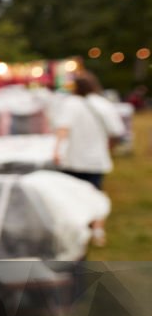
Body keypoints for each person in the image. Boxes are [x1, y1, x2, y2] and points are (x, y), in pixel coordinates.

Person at [52, 71, 125, 247]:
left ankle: (78, 231)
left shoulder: (70, 104)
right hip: (96, 160)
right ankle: (97, 231)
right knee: (96, 195)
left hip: (72, 159)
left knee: (73, 197)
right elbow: (117, 131)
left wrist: (57, 151)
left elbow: (63, 129)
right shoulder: (103, 104)